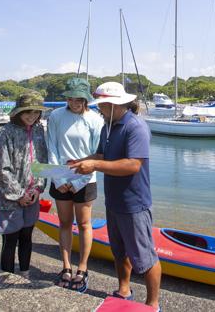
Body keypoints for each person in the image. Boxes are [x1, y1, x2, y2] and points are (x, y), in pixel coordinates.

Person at [69, 82, 161, 310]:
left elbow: (133, 165)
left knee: (145, 257)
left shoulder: (135, 127)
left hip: (134, 203)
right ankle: (124, 289)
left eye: (101, 105)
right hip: (114, 201)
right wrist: (81, 161)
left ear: (112, 104)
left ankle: (153, 304)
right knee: (119, 251)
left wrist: (95, 165)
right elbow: (102, 154)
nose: (99, 109)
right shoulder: (107, 126)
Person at [46, 77, 104, 292]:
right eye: (71, 98)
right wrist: (59, 179)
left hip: (86, 178)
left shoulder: (95, 119)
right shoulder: (56, 116)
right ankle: (66, 266)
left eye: (79, 98)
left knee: (84, 224)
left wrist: (79, 180)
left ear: (86, 98)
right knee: (64, 223)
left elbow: (98, 154)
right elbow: (52, 147)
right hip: (60, 175)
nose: (75, 102)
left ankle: (83, 267)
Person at [0, 91, 48, 277]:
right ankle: (6, 275)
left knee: (27, 236)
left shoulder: (39, 130)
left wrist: (38, 188)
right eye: (27, 112)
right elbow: (2, 169)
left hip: (32, 194)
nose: (32, 116)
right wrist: (19, 195)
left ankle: (25, 273)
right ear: (18, 112)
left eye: (36, 112)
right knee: (10, 239)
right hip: (9, 197)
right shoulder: (4, 134)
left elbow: (41, 160)